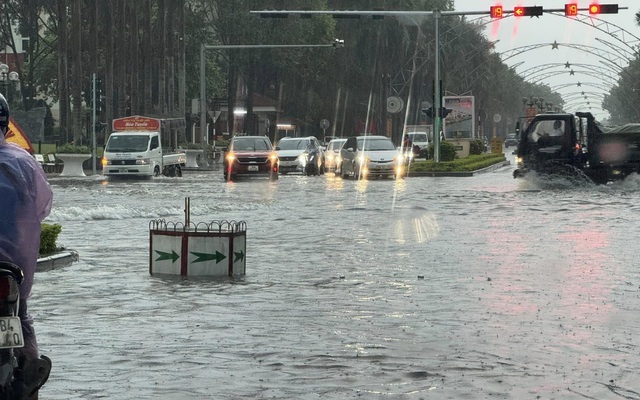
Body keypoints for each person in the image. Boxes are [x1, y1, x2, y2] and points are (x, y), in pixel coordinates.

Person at [0, 93, 53, 396]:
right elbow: (43, 206)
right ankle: (30, 365)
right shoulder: (22, 161)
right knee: (20, 315)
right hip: (15, 267)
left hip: (12, 272)